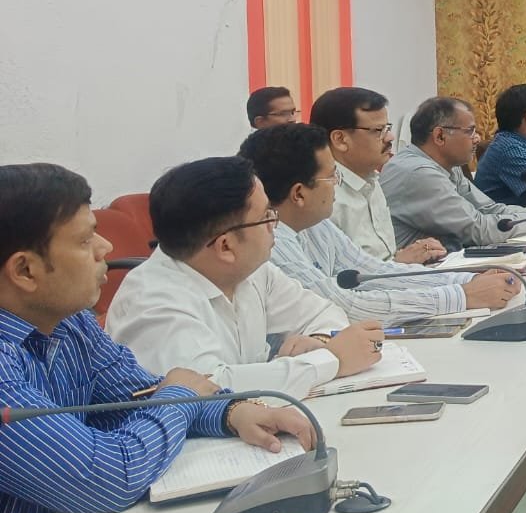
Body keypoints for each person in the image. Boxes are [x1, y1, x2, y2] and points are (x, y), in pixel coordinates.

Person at [0, 163, 312, 513]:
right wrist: (179, 396)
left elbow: (140, 395)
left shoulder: (70, 323)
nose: (107, 248)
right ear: (25, 271)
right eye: (85, 242)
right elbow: (106, 477)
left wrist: (233, 412)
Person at [106, 157, 384, 398]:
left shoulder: (249, 271)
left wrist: (320, 341)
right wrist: (332, 359)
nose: (276, 225)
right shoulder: (153, 303)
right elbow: (211, 390)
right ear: (226, 246)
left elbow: (323, 311)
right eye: (266, 217)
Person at [239, 124, 523, 321]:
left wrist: (470, 280)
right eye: (331, 177)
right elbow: (342, 307)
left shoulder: (314, 223)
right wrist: (460, 295)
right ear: (299, 193)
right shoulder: (270, 243)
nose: (336, 185)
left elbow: (374, 272)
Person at [381, 97, 526, 250]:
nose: (477, 138)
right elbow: (479, 230)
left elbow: (490, 209)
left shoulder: (446, 166)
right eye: (470, 131)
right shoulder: (419, 173)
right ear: (440, 136)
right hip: (419, 275)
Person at [311, 86, 446, 265]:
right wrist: (399, 264)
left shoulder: (371, 178)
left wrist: (410, 254)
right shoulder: (322, 193)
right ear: (340, 139)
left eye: (387, 128)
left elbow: (383, 257)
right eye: (378, 131)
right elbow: (342, 281)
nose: (390, 137)